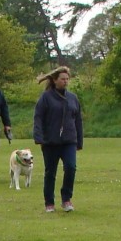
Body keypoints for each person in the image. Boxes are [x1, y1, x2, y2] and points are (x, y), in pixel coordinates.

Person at [33, 66, 83, 213]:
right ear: (55, 80)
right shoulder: (46, 97)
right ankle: (49, 202)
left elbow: (78, 120)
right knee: (50, 172)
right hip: (51, 142)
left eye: (67, 79)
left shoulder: (73, 98)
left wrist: (79, 141)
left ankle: (66, 199)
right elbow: (38, 117)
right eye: (62, 79)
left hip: (69, 141)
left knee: (71, 167)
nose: (65, 82)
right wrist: (39, 137)